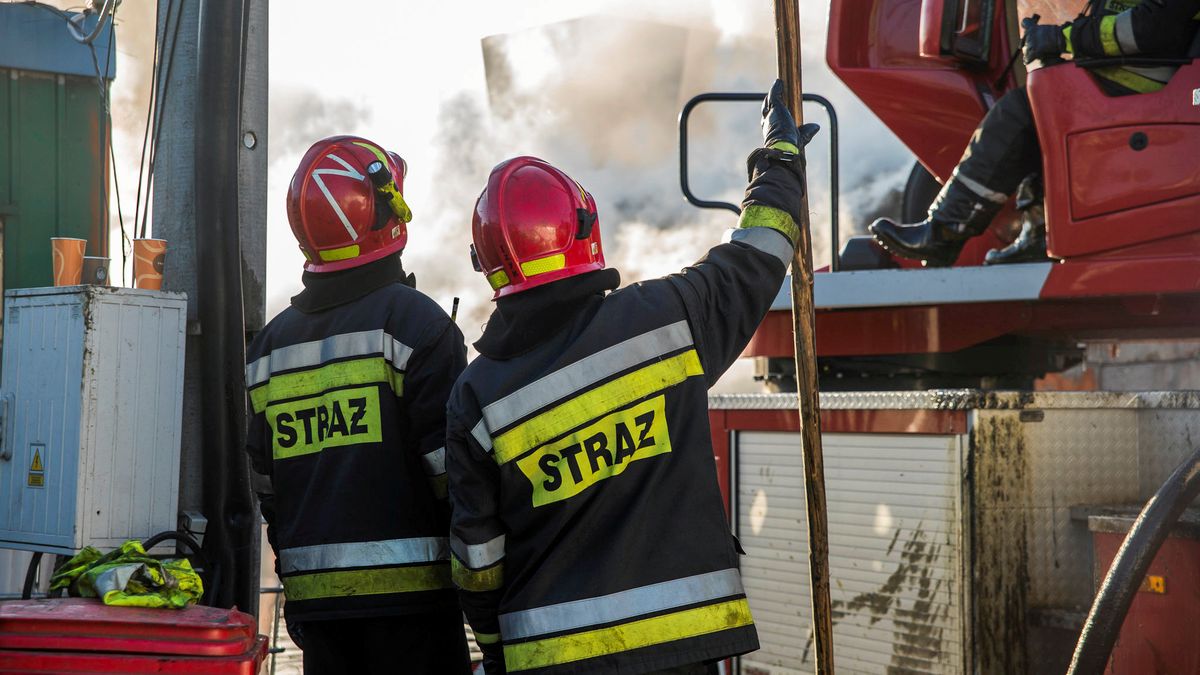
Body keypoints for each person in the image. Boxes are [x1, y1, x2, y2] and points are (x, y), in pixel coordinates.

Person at [445, 81, 818, 675]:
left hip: (548, 660)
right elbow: (761, 251)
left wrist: (495, 644)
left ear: (489, 264)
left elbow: (479, 559)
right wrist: (779, 159)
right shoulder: (668, 317)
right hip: (681, 648)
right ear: (583, 227)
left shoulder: (477, 396)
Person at [244, 136, 470, 674]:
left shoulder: (270, 349)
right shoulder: (417, 326)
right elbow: (456, 481)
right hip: (416, 612)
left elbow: (267, 485)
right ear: (384, 214)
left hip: (318, 615)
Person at [870, 0, 1200, 267]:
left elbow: (1150, 29)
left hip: (1145, 96)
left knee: (1021, 110)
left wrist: (1063, 39)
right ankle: (1037, 233)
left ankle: (944, 231)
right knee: (1043, 108)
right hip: (1144, 90)